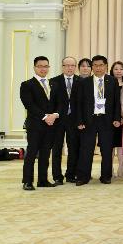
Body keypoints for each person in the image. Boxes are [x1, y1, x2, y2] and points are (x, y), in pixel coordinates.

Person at [75, 55, 121, 185]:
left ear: (106, 66)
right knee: (86, 149)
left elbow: (116, 102)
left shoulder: (112, 81)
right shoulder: (84, 82)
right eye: (95, 65)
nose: (98, 68)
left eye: (101, 65)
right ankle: (83, 177)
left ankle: (106, 176)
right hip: (89, 120)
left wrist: (117, 118)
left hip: (106, 120)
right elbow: (78, 103)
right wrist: (79, 121)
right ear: (92, 67)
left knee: (106, 149)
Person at [19, 56, 63, 190]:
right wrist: (45, 117)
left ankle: (43, 180)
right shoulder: (27, 84)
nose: (43, 69)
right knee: (31, 153)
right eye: (40, 66)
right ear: (34, 67)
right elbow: (29, 105)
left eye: (46, 66)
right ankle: (27, 181)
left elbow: (61, 103)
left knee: (45, 154)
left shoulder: (54, 84)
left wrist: (55, 115)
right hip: (35, 125)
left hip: (51, 125)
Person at [50, 56, 80, 185]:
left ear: (75, 67)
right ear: (62, 67)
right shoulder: (53, 81)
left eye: (72, 65)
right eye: (67, 65)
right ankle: (57, 176)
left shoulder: (81, 81)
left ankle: (70, 174)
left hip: (74, 120)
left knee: (73, 148)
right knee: (57, 149)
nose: (69, 68)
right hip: (58, 120)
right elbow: (50, 103)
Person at [110, 61, 123, 178]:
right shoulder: (108, 83)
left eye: (121, 69)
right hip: (110, 120)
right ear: (112, 70)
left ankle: (120, 168)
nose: (118, 71)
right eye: (116, 69)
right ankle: (109, 168)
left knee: (121, 145)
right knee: (110, 145)